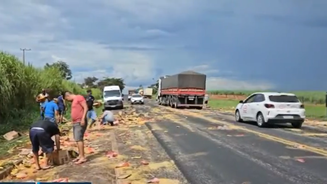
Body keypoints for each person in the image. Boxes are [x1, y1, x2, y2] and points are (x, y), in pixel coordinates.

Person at [62, 91, 88, 164]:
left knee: (79, 139)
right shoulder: (74, 100)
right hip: (76, 122)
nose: (68, 101)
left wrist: (83, 118)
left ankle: (82, 157)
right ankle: (80, 155)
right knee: (77, 139)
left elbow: (85, 107)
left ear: (67, 96)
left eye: (67, 99)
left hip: (80, 121)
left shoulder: (79, 97)